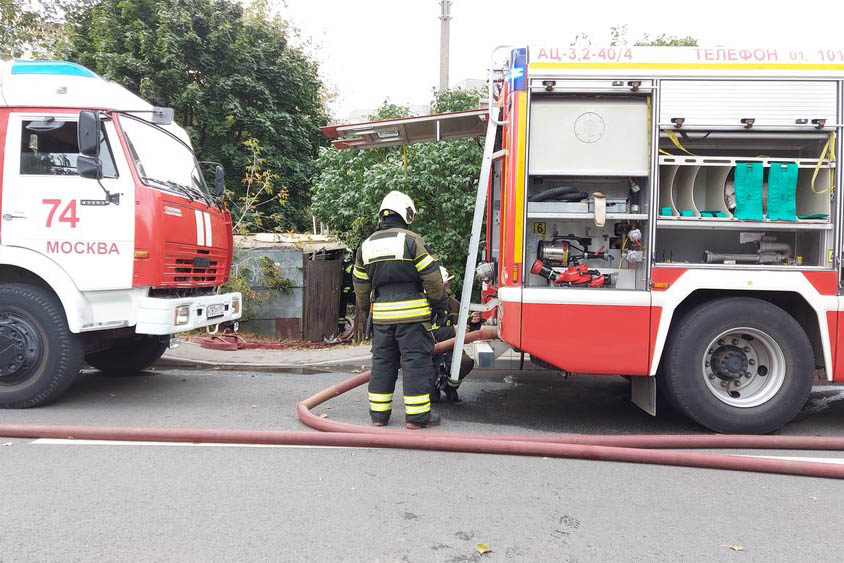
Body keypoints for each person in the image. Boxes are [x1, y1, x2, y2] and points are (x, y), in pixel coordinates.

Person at [353, 190, 449, 429]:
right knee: (415, 362)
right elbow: (432, 278)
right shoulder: (411, 240)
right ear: (406, 213)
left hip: (382, 317)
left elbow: (360, 286)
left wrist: (367, 311)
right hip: (412, 317)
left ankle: (378, 416)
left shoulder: (365, 246)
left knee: (383, 363)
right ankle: (417, 418)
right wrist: (439, 305)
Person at [430, 267, 482, 403]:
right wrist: (452, 330)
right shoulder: (425, 305)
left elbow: (466, 325)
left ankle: (450, 388)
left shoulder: (452, 304)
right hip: (428, 353)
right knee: (432, 398)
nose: (449, 286)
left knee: (465, 362)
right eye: (446, 283)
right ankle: (433, 387)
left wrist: (474, 321)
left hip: (450, 350)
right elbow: (425, 334)